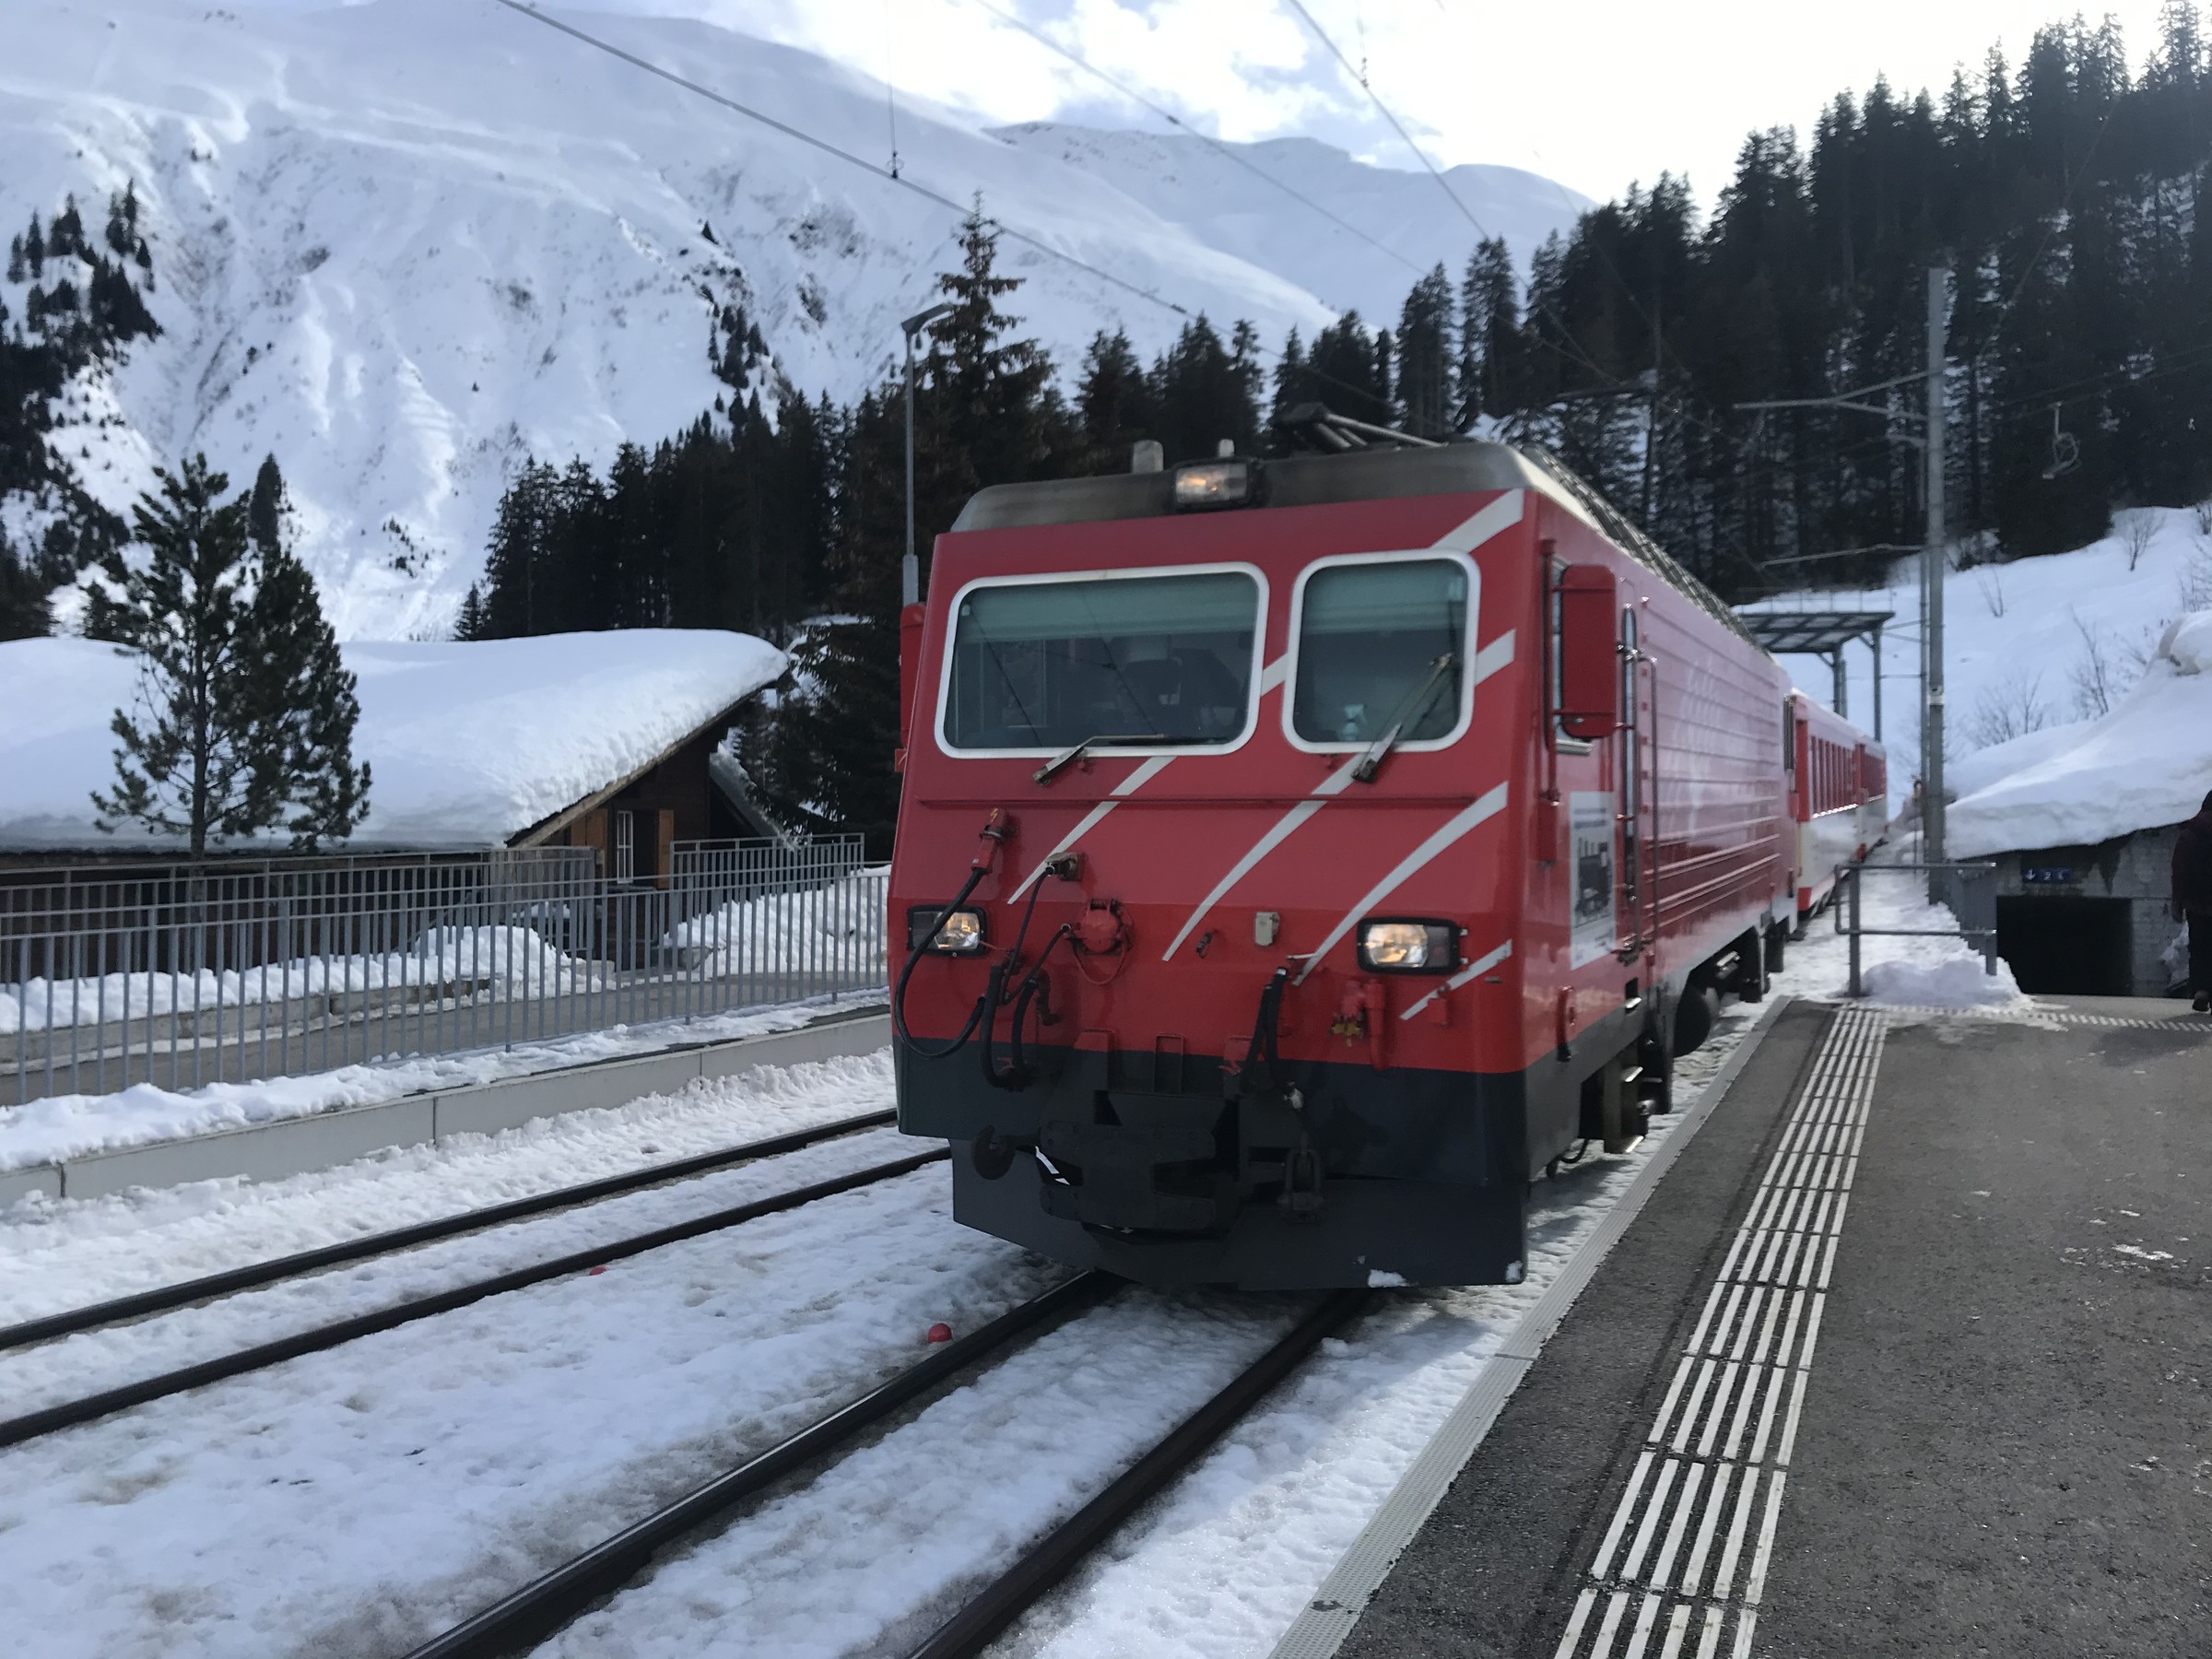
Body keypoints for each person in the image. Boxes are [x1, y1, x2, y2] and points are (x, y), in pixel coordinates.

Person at [2174, 788, 2212, 1012]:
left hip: (2196, 904)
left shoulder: (2189, 834)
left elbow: (2179, 870)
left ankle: (2201, 990)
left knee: (2199, 946)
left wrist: (2177, 902)